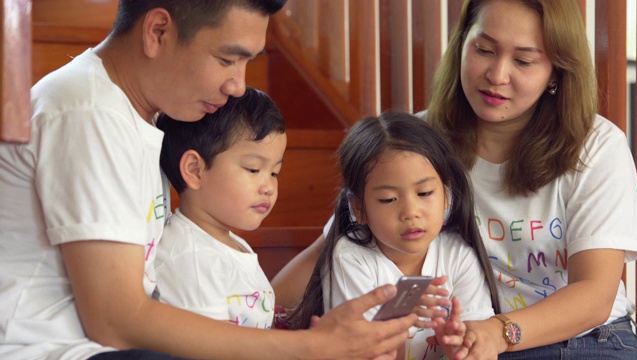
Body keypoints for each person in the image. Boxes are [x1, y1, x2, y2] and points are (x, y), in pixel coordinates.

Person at [0, 1, 419, 359]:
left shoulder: (138, 116)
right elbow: (116, 321)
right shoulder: (87, 112)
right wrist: (314, 346)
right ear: (158, 31)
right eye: (227, 59)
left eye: (247, 63)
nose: (237, 86)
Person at [271, 0, 637, 359]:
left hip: (587, 339)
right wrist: (251, 320)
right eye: (484, 49)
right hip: (468, 343)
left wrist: (497, 332)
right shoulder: (415, 143)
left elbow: (594, 295)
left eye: (523, 61)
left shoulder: (595, 147)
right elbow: (326, 257)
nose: (496, 76)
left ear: (556, 72)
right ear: (461, 44)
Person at [285, 112, 501, 360]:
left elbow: (478, 339)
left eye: (424, 193)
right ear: (358, 209)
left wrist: (460, 346)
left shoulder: (458, 255)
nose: (410, 213)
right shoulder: (351, 257)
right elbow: (358, 351)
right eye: (388, 199)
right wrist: (398, 315)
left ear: (446, 195)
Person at [154, 87, 286, 329]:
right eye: (253, 169)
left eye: (274, 172)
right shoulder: (191, 259)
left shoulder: (230, 243)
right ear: (195, 170)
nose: (268, 186)